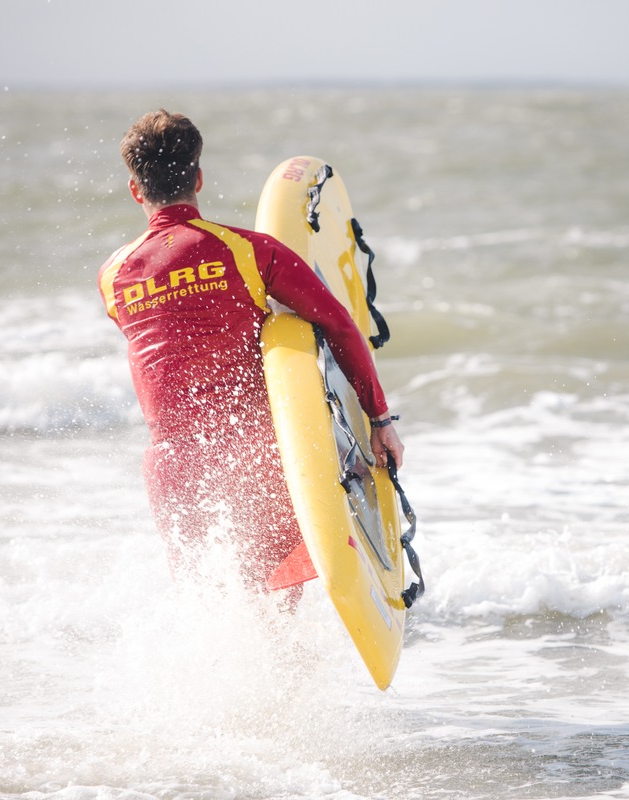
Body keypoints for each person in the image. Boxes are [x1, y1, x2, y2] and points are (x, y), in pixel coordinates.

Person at [98, 109, 404, 591]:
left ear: (136, 189)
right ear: (198, 177)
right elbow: (340, 326)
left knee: (211, 600)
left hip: (172, 468)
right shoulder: (250, 251)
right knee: (277, 605)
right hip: (255, 453)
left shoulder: (112, 276)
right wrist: (379, 420)